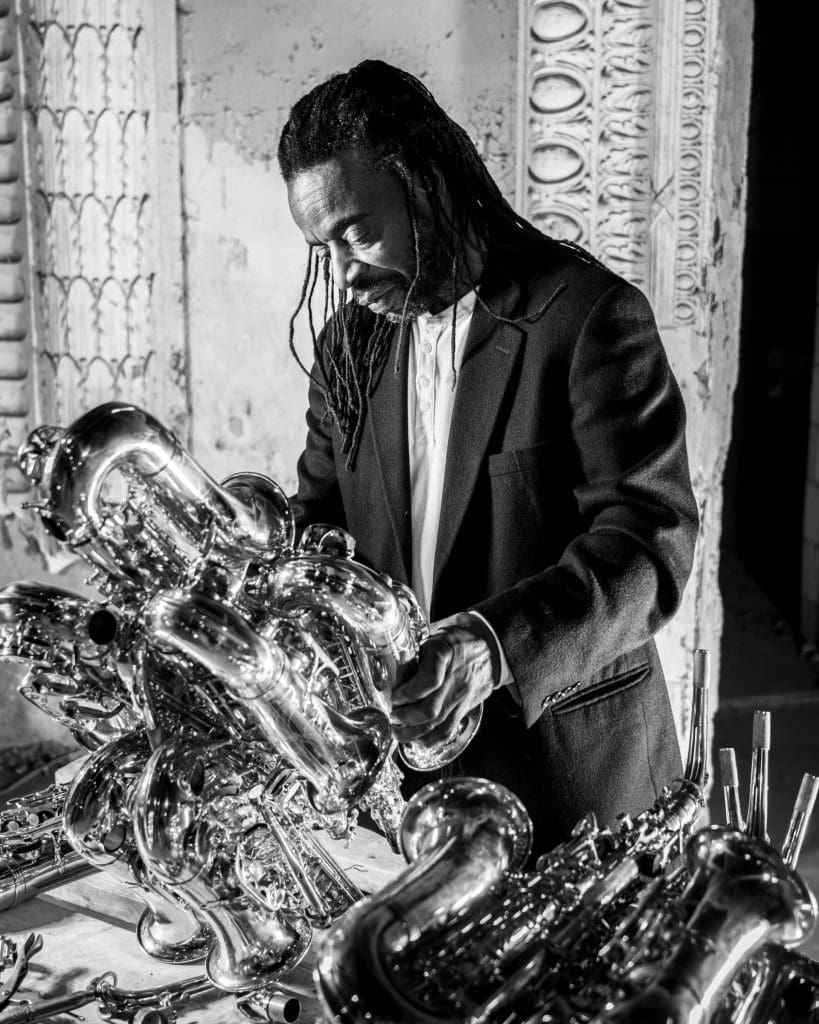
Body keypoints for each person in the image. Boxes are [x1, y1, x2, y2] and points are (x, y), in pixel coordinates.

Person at [277, 59, 699, 857]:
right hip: (409, 801)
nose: (342, 271)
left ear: (427, 183)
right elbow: (321, 522)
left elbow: (650, 544)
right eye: (321, 245)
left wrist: (490, 646)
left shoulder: (588, 318)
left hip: (575, 790)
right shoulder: (346, 348)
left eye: (357, 230)